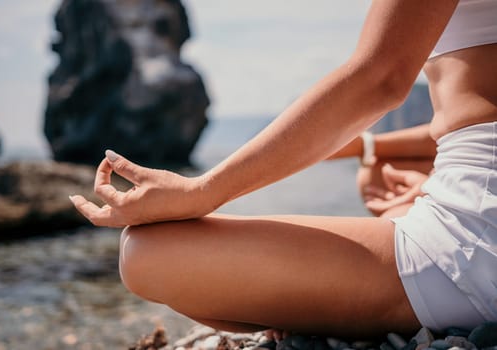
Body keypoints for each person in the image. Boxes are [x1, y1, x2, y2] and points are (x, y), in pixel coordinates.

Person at [70, 0, 497, 337]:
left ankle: (311, 311)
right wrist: (373, 150)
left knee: (145, 253)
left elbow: (380, 77)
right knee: (389, 201)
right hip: (481, 218)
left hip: (478, 242)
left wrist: (201, 192)